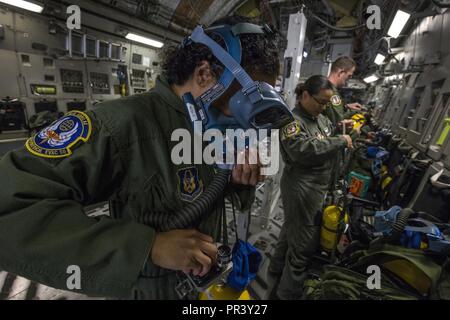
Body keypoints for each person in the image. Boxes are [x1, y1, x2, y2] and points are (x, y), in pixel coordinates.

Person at [0, 16, 281, 300]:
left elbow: (202, 193)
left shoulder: (207, 125)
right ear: (205, 74)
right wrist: (148, 247)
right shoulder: (121, 124)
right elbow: (11, 208)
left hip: (200, 286)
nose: (247, 117)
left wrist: (237, 179)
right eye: (245, 98)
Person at [269, 75, 355, 299]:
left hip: (316, 186)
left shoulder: (320, 119)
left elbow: (326, 136)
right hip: (301, 187)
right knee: (302, 246)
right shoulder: (291, 121)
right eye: (321, 102)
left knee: (291, 230)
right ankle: (287, 293)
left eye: (328, 103)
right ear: (305, 95)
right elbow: (303, 150)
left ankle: (275, 270)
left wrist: (342, 133)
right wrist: (339, 141)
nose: (324, 107)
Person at [324, 56, 362, 127]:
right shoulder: (331, 92)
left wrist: (346, 106)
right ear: (341, 73)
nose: (349, 79)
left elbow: (331, 109)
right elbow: (338, 120)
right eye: (349, 76)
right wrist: (356, 111)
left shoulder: (324, 86)